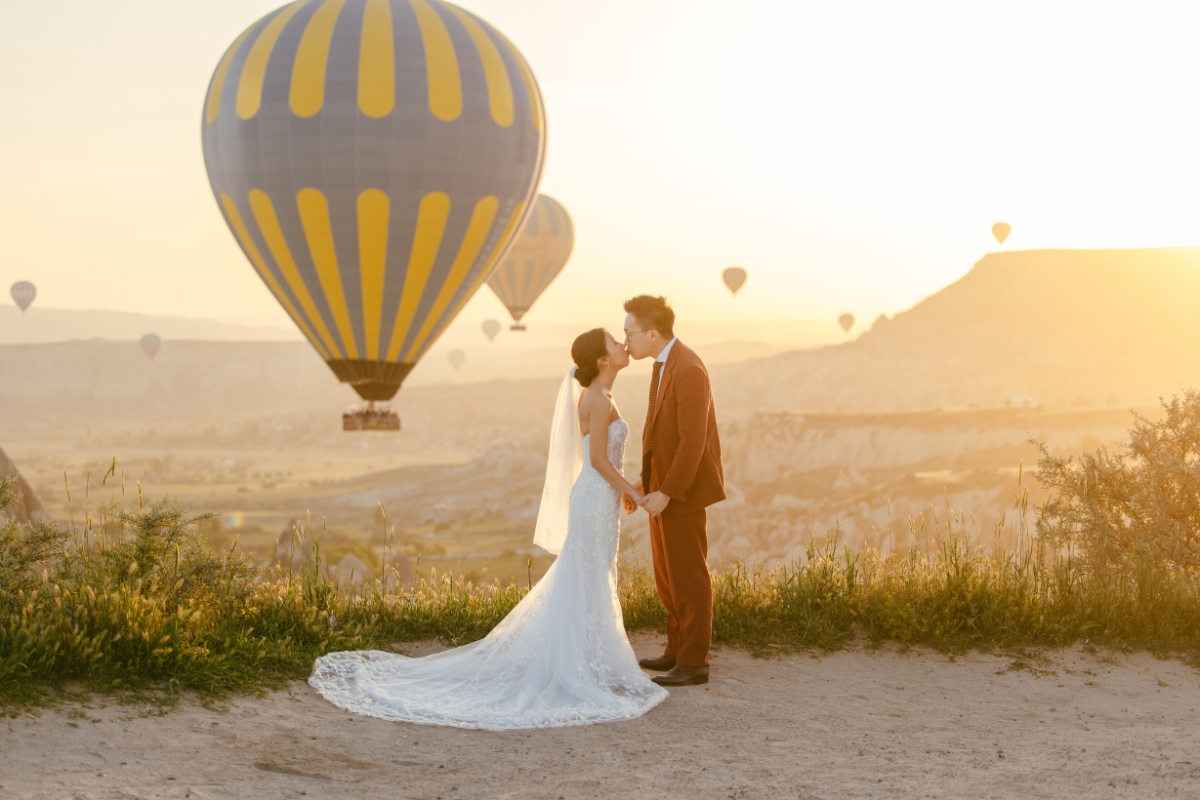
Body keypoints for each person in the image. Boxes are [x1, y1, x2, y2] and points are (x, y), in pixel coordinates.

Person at [308, 329, 668, 730]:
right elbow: (599, 460)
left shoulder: (602, 397)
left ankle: (589, 660)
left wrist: (619, 492)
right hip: (595, 498)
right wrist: (628, 492)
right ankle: (582, 666)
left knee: (593, 574)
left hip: (598, 500)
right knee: (589, 574)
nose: (622, 344)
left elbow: (599, 461)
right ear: (602, 360)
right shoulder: (598, 399)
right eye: (615, 342)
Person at [622, 295, 725, 687]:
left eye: (629, 333)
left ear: (652, 333)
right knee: (667, 576)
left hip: (682, 494)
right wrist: (644, 485)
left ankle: (694, 662)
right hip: (662, 490)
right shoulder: (664, 365)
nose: (625, 340)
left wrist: (668, 492)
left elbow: (692, 442)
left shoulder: (689, 369)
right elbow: (660, 441)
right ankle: (676, 650)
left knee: (689, 577)